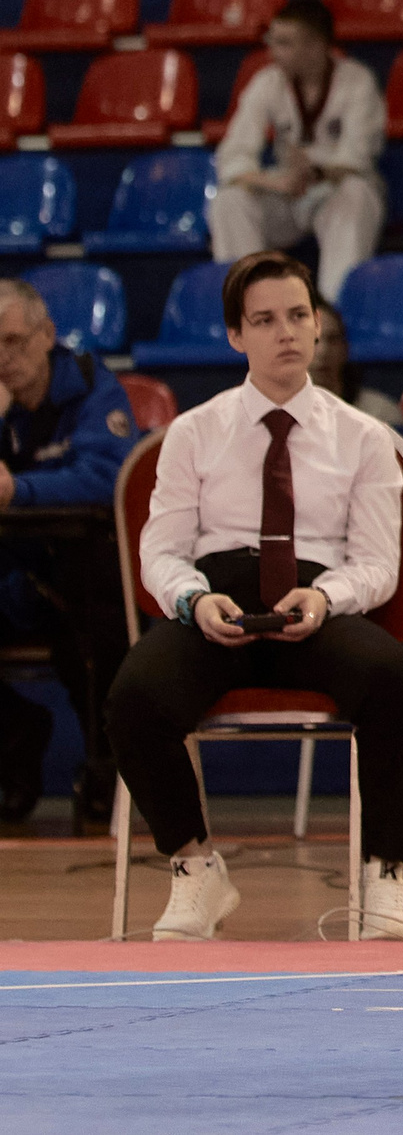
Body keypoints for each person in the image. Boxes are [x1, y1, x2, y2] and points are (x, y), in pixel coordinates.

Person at [108, 252, 403, 941]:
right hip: (215, 601)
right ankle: (196, 869)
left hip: (317, 602)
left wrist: (326, 597)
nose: (285, 332)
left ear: (316, 327)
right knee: (134, 695)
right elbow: (159, 553)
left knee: (398, 683)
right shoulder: (193, 433)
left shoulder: (366, 439)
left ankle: (382, 876)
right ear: (235, 336)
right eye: (264, 320)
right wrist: (194, 600)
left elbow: (379, 563)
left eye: (297, 316)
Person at [0, 278, 144, 826]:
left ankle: (107, 772)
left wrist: (20, 490)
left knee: (96, 608)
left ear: (47, 335)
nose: (5, 358)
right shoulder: (6, 411)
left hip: (84, 580)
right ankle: (16, 738)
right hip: (21, 575)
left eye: (15, 342)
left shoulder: (91, 389)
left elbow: (109, 480)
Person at [209, 0, 387, 301]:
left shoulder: (357, 82)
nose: (273, 51)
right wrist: (273, 181)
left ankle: (335, 310)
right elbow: (233, 156)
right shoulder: (267, 82)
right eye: (274, 41)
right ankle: (249, 306)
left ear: (316, 46)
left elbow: (358, 158)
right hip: (287, 190)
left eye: (284, 43)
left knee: (356, 194)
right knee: (229, 201)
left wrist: (315, 171)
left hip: (334, 190)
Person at [311, 300, 403, 426]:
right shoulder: (280, 415)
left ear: (346, 348)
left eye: (333, 339)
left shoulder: (380, 413)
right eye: (313, 339)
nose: (323, 351)